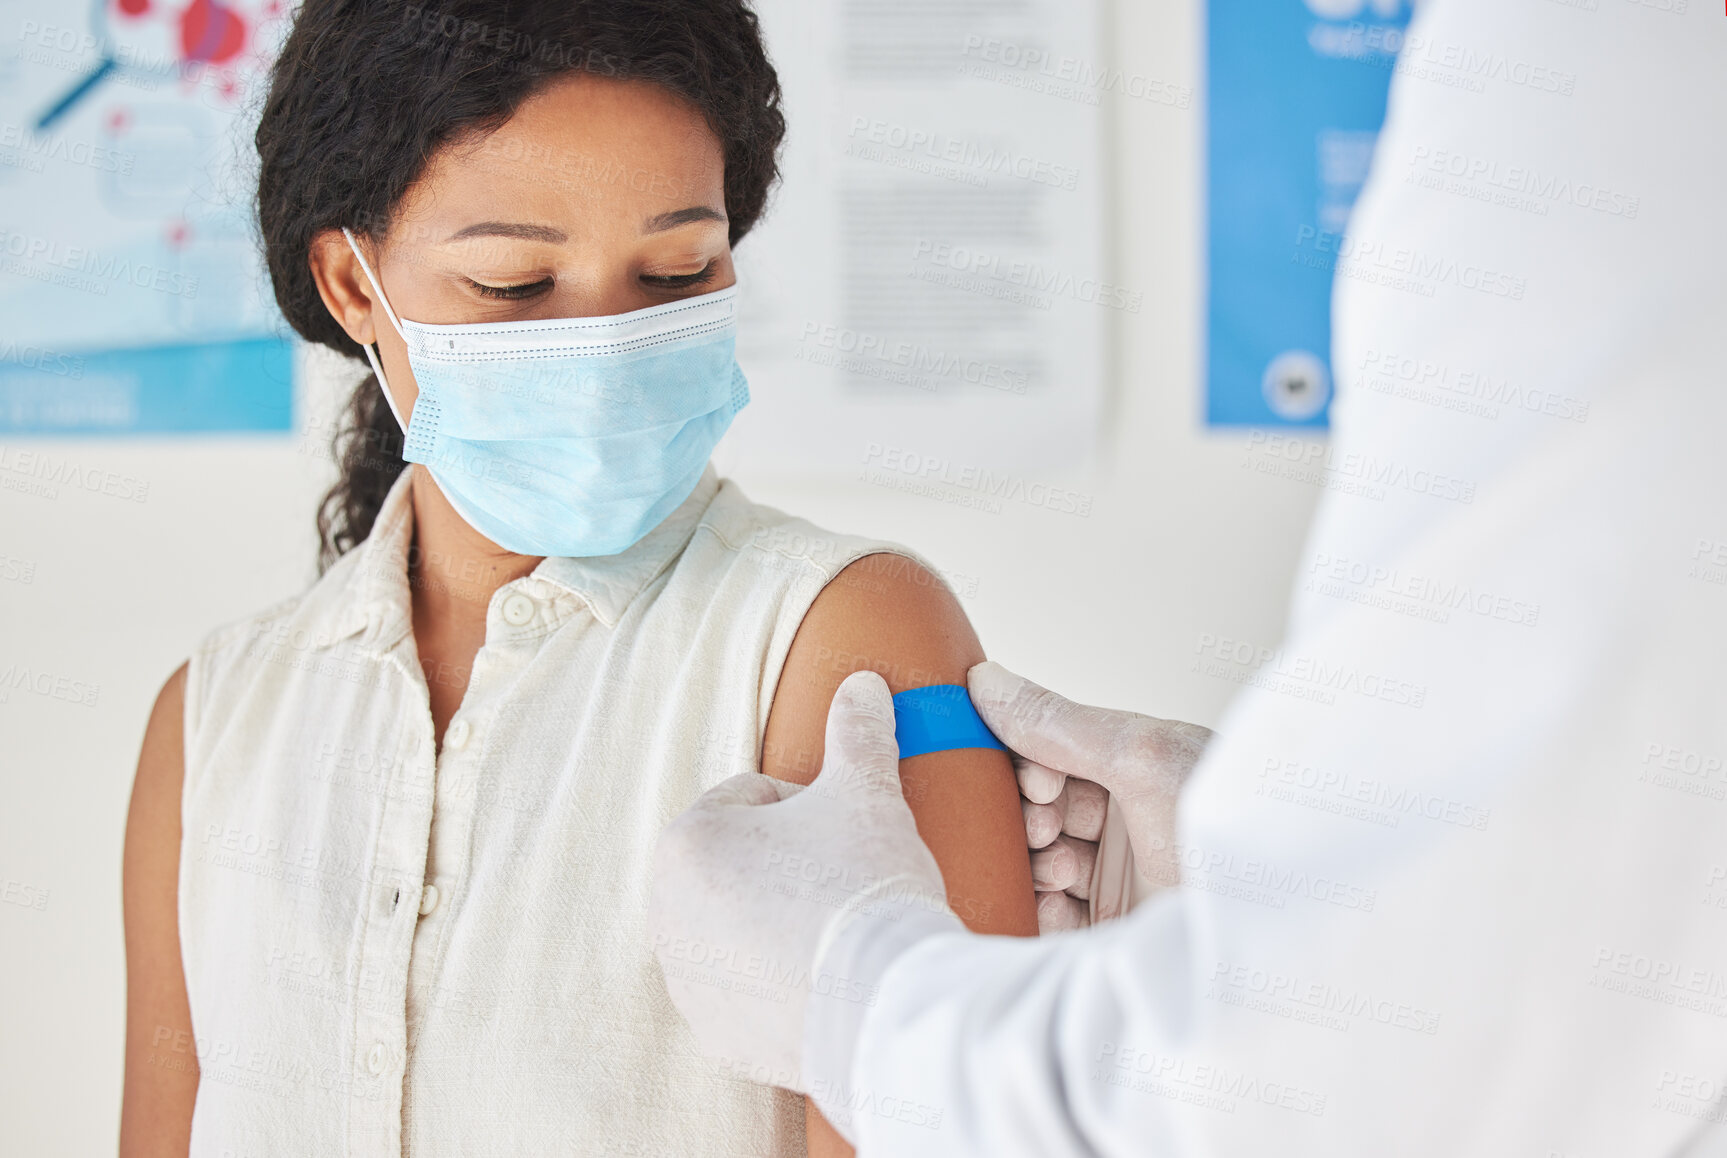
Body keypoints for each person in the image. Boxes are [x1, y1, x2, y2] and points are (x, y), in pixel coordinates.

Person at [648, 0, 1727, 1153]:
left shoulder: (1612, 62)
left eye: (679, 267)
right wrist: (1244, 906)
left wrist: (865, 997)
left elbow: (1385, 1071)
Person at [118, 3, 1038, 1155]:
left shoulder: (837, 635)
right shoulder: (217, 717)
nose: (605, 351)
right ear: (355, 291)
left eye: (674, 269)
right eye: (513, 284)